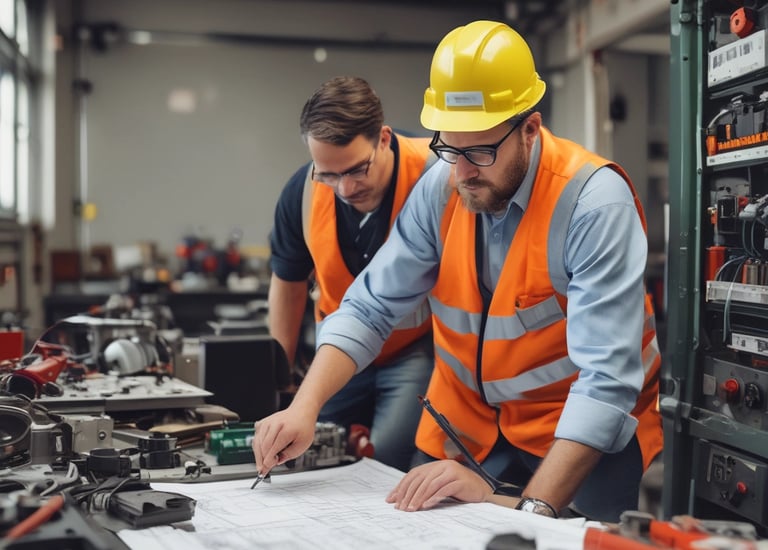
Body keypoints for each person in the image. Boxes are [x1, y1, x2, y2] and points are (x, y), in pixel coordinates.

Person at [254, 21, 663, 523]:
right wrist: (305, 406)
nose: (462, 172)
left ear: (530, 129)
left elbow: (606, 382)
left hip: (576, 439)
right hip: (465, 428)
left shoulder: (593, 205)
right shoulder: (443, 186)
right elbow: (370, 305)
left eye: (480, 152)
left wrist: (526, 506)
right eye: (449, 148)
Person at [266, 76, 436, 471]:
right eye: (328, 174)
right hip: (338, 351)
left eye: (357, 170)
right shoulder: (301, 192)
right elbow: (288, 286)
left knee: (389, 458)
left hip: (414, 351)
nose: (343, 189)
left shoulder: (435, 176)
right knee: (311, 451)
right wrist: (278, 382)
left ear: (383, 138)